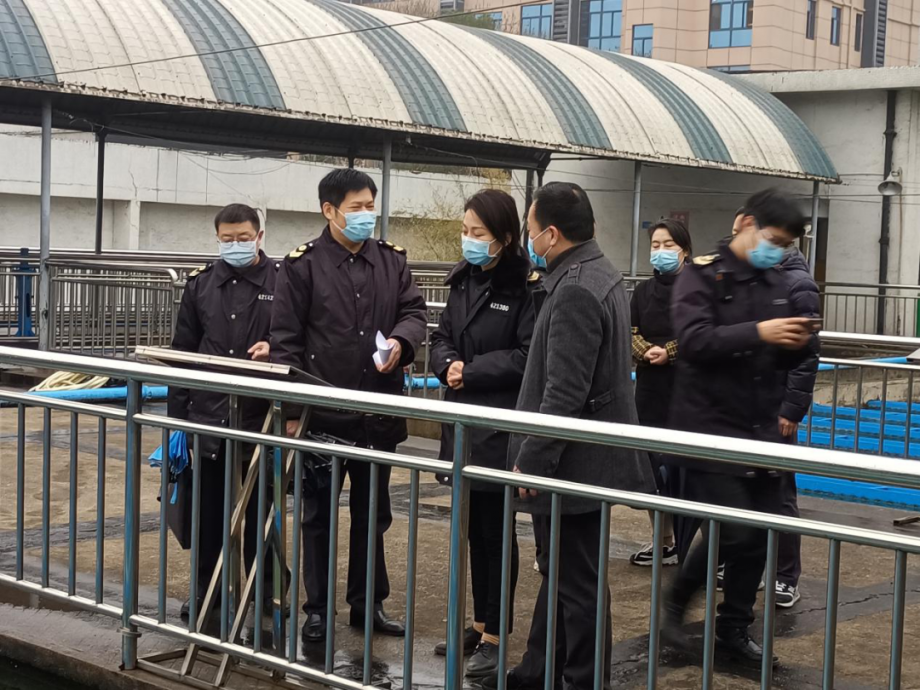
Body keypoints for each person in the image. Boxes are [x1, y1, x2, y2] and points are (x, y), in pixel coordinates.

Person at [484, 182, 656, 690]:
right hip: (587, 459)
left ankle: (583, 679)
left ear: (552, 234)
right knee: (560, 571)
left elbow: (564, 390)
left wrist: (533, 458)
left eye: (532, 230)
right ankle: (536, 672)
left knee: (578, 583)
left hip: (574, 464)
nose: (530, 240)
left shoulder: (575, 288)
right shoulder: (600, 271)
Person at [270, 168, 427, 644]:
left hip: (377, 411)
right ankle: (317, 609)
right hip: (322, 415)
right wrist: (292, 413)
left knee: (373, 513)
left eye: (370, 206)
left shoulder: (391, 261)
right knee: (317, 516)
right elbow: (285, 343)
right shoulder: (302, 266)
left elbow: (414, 312)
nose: (365, 215)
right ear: (329, 210)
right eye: (356, 207)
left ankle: (368, 603)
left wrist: (402, 341)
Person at [663, 189, 814, 668]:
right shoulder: (701, 274)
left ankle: (734, 628)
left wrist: (796, 343)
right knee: (738, 532)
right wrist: (761, 332)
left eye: (785, 245)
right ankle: (675, 603)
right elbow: (694, 341)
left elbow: (775, 358)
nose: (777, 251)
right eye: (773, 240)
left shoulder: (774, 281)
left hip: (761, 428)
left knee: (760, 533)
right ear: (746, 223)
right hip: (711, 427)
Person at [429, 189, 539, 677]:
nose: (469, 240)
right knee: (474, 530)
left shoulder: (525, 289)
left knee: (497, 534)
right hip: (463, 426)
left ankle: (496, 635)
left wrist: (469, 371)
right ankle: (478, 622)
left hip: (499, 426)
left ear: (505, 237)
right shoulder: (463, 280)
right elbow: (441, 336)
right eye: (465, 230)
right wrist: (447, 364)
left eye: (479, 233)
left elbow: (527, 355)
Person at [167, 203, 277, 621]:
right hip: (210, 416)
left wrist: (275, 350)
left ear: (259, 236)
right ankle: (207, 592)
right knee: (209, 513)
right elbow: (182, 350)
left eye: (243, 238)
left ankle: (265, 594)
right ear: (217, 239)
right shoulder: (201, 285)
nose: (235, 245)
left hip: (261, 417)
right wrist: (177, 420)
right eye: (227, 239)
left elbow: (297, 340)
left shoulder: (282, 281)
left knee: (262, 513)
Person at [628, 219, 692, 568]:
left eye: (668, 245)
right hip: (650, 389)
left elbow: (701, 333)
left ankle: (691, 543)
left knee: (685, 468)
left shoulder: (698, 288)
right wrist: (645, 351)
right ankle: (663, 540)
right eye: (655, 245)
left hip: (686, 389)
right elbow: (629, 330)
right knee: (652, 467)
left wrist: (670, 351)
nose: (661, 251)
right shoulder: (642, 291)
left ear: (685, 250)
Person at [773, 233, 821, 608]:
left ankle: (786, 575)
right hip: (748, 404)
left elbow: (807, 355)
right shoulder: (754, 277)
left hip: (776, 406)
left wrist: (791, 408)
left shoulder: (799, 283)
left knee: (780, 492)